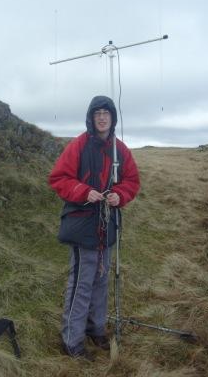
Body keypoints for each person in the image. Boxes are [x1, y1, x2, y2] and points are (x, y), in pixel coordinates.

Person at [49, 95, 140, 360]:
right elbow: (58, 178)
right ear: (91, 117)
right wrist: (82, 191)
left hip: (107, 225)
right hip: (81, 225)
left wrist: (119, 195)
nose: (102, 117)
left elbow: (131, 181)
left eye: (106, 113)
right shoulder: (78, 145)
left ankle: (95, 329)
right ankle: (71, 340)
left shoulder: (119, 150)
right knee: (81, 284)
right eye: (97, 113)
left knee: (101, 279)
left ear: (113, 118)